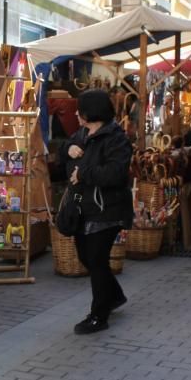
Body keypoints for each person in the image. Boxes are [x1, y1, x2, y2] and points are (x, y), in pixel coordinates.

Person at [59, 89, 133, 335]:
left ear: (92, 112)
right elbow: (66, 151)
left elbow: (115, 173)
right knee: (86, 256)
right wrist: (68, 149)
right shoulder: (81, 133)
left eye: (80, 110)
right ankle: (115, 296)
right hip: (83, 207)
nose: (77, 114)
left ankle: (99, 315)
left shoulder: (115, 138)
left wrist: (84, 173)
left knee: (97, 259)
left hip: (107, 209)